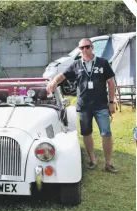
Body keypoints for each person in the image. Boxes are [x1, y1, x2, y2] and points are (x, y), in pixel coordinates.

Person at [46, 38, 118, 174]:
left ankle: (108, 163)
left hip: (101, 105)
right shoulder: (76, 65)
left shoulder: (103, 63)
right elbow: (61, 76)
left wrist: (111, 102)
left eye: (87, 47)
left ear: (92, 47)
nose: (84, 50)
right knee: (86, 133)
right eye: (81, 48)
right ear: (79, 50)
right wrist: (53, 82)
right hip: (84, 106)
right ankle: (92, 160)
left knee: (106, 133)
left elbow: (111, 83)